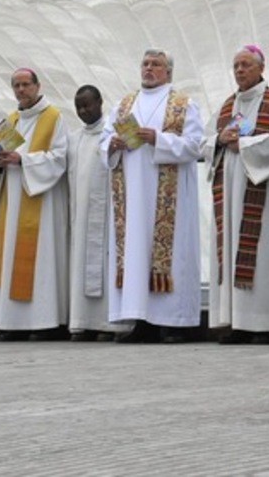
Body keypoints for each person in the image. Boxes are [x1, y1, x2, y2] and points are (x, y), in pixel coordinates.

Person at [101, 49, 204, 343]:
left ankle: (175, 323)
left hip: (168, 199)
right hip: (131, 196)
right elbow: (104, 138)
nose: (149, 69)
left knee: (171, 256)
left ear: (168, 72)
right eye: (145, 64)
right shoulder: (123, 105)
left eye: (156, 65)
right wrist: (112, 143)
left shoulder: (184, 104)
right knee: (135, 253)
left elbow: (195, 145)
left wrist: (157, 139)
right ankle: (141, 320)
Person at [202, 45, 269, 344]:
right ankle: (240, 324)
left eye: (246, 65)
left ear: (261, 67)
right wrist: (220, 139)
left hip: (267, 194)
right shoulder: (227, 105)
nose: (240, 70)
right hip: (231, 195)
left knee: (268, 255)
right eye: (236, 66)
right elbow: (204, 142)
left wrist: (241, 145)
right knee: (232, 252)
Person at [0, 68, 69, 340]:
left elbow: (60, 158)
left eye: (25, 84)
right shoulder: (10, 120)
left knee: (41, 261)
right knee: (10, 256)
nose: (21, 90)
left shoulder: (53, 117)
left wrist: (22, 160)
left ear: (37, 86)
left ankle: (42, 323)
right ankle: (11, 323)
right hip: (12, 199)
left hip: (40, 201)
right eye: (16, 85)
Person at [66, 85, 121, 341]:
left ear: (100, 102)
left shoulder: (112, 134)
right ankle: (83, 322)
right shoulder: (74, 138)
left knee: (107, 263)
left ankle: (109, 324)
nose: (83, 110)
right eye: (78, 106)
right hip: (82, 213)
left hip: (107, 214)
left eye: (87, 104)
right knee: (82, 262)